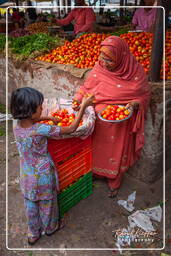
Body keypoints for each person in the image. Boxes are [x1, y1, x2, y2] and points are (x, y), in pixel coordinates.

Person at [10, 87, 94, 245]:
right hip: (43, 177)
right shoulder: (41, 130)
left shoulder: (17, 126)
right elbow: (71, 129)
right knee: (48, 203)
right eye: (40, 107)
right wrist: (83, 106)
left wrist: (47, 117)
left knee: (31, 204)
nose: (42, 108)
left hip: (26, 175)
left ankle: (33, 233)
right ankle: (50, 228)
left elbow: (32, 121)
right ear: (31, 111)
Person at [72, 36, 150, 198]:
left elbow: (143, 95)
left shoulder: (135, 72)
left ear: (121, 57)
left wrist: (135, 104)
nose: (105, 64)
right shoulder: (100, 67)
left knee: (116, 152)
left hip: (120, 123)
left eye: (110, 61)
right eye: (102, 59)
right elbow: (87, 87)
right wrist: (77, 100)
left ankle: (114, 181)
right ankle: (97, 173)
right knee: (97, 148)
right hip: (98, 122)